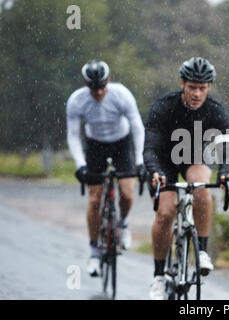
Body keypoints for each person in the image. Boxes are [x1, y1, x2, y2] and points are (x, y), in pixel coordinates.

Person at [144, 57, 229, 300]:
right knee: (165, 212)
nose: (196, 93)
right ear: (182, 84)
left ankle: (202, 251)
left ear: (209, 88)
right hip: (163, 160)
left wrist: (226, 171)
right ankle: (159, 276)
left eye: (202, 88)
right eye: (192, 87)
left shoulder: (215, 110)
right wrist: (155, 172)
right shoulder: (164, 106)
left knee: (202, 189)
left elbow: (227, 147)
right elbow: (150, 147)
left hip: (194, 156)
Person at [66, 60, 146, 277]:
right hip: (95, 145)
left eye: (102, 86)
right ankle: (93, 251)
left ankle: (123, 223)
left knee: (127, 194)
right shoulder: (76, 101)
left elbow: (138, 127)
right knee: (94, 200)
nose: (99, 92)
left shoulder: (122, 95)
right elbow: (73, 135)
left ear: (109, 80)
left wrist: (139, 160)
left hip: (122, 142)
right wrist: (80, 165)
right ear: (86, 84)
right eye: (94, 88)